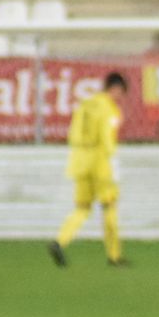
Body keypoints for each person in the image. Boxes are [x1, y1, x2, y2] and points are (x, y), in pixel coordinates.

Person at [50, 72, 129, 268]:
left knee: (82, 208)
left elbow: (73, 133)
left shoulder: (85, 104)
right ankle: (114, 255)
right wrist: (113, 161)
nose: (120, 98)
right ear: (116, 89)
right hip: (101, 162)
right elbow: (106, 136)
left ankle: (60, 241)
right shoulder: (109, 108)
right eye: (121, 93)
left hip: (79, 161)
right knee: (109, 207)